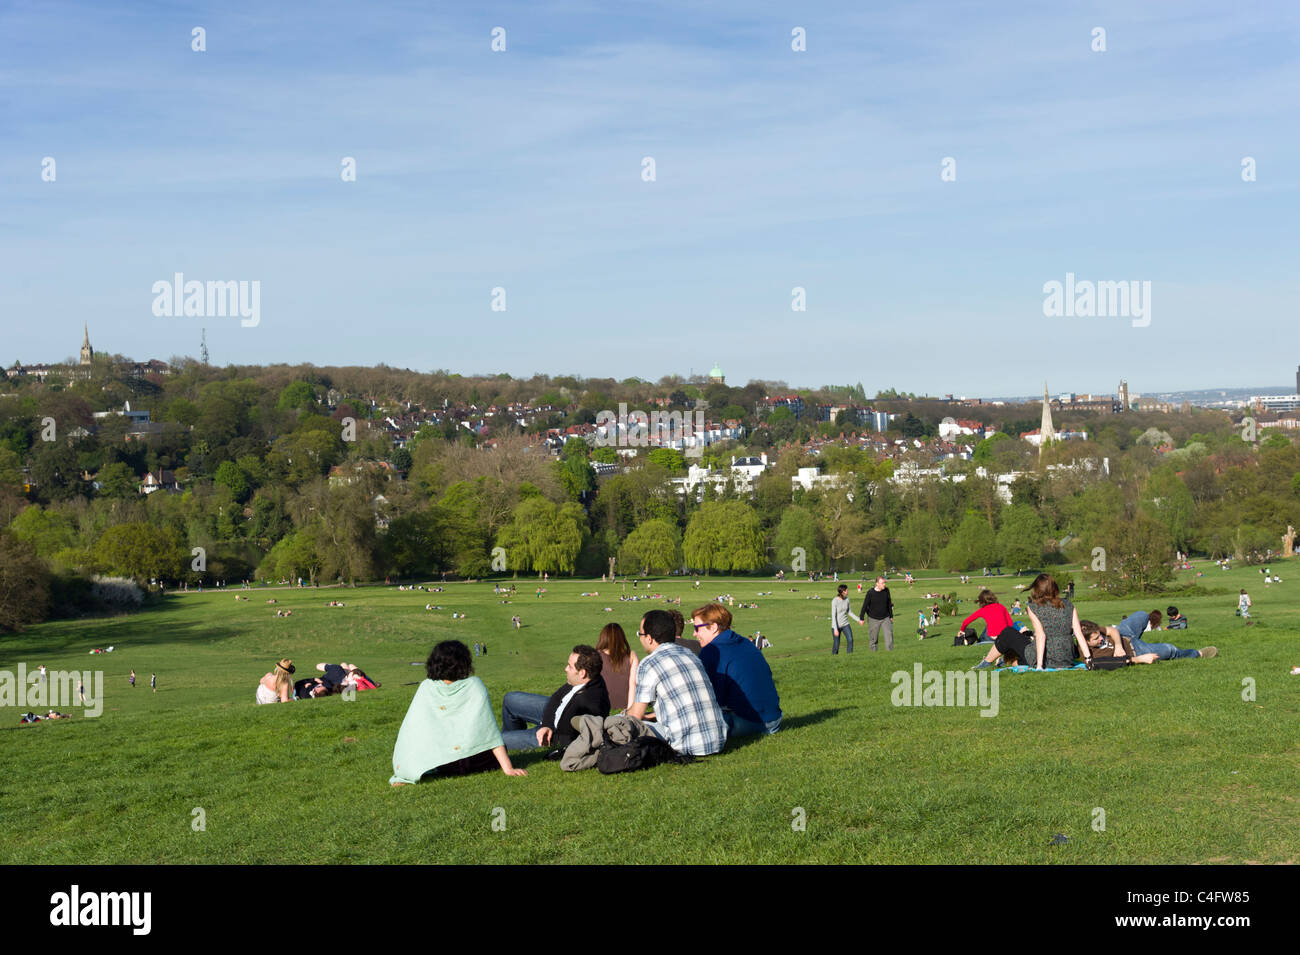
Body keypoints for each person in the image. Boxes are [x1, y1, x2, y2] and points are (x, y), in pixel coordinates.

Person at [390, 640, 526, 784]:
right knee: (495, 749)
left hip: (441, 764)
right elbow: (489, 731)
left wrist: (406, 768)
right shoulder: (474, 685)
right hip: (472, 762)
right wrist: (508, 768)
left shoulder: (426, 687)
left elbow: (413, 732)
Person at [626, 610, 727, 757]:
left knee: (624, 726)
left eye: (640, 634)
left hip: (684, 746)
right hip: (718, 741)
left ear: (649, 638)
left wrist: (623, 715)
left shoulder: (649, 663)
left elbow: (635, 715)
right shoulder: (690, 655)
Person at [693, 603, 781, 738]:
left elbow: (712, 699)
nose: (694, 634)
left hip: (749, 723)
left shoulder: (712, 651)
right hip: (774, 720)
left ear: (714, 627)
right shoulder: (745, 642)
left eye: (697, 628)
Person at [499, 645, 610, 751]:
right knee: (510, 698)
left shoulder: (589, 703)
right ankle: (511, 740)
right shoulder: (583, 680)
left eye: (570, 666)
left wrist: (547, 731)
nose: (565, 669)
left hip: (553, 736)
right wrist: (547, 724)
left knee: (497, 741)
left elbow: (568, 738)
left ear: (582, 673)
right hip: (554, 718)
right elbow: (556, 698)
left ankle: (507, 744)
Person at [1024, 574, 1091, 669]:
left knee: (1010, 636)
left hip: (1048, 657)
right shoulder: (1068, 604)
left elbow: (1041, 635)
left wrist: (1039, 665)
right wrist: (1088, 658)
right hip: (1067, 656)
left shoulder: (1033, 607)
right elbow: (1078, 632)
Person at [1079, 619, 1216, 663]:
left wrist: (1119, 646)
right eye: (1096, 639)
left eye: (1100, 635)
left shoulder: (1089, 629)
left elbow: (1113, 631)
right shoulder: (1093, 658)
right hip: (1136, 650)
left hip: (1124, 634)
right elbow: (1117, 663)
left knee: (1142, 615)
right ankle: (1197, 653)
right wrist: (1140, 659)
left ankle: (1136, 634)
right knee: (1170, 649)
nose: (1101, 638)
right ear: (1086, 643)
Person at [595, 622, 637, 712]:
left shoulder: (595, 656)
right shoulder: (631, 656)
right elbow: (633, 684)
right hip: (625, 705)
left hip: (601, 705)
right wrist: (629, 709)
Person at [859, 575, 895, 651]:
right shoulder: (870, 592)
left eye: (884, 582)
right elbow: (865, 605)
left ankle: (890, 654)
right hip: (873, 619)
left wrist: (891, 616)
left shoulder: (886, 590)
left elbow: (889, 604)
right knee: (873, 639)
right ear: (877, 584)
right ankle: (874, 655)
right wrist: (861, 618)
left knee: (889, 637)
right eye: (882, 583)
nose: (884, 584)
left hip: (885, 618)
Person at [830, 584, 861, 654]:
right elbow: (833, 615)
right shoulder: (835, 601)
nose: (848, 591)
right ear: (843, 591)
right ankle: (833, 657)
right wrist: (835, 629)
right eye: (847, 590)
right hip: (836, 626)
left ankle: (849, 656)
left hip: (845, 624)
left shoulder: (847, 599)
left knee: (850, 639)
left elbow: (849, 612)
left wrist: (858, 620)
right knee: (836, 645)